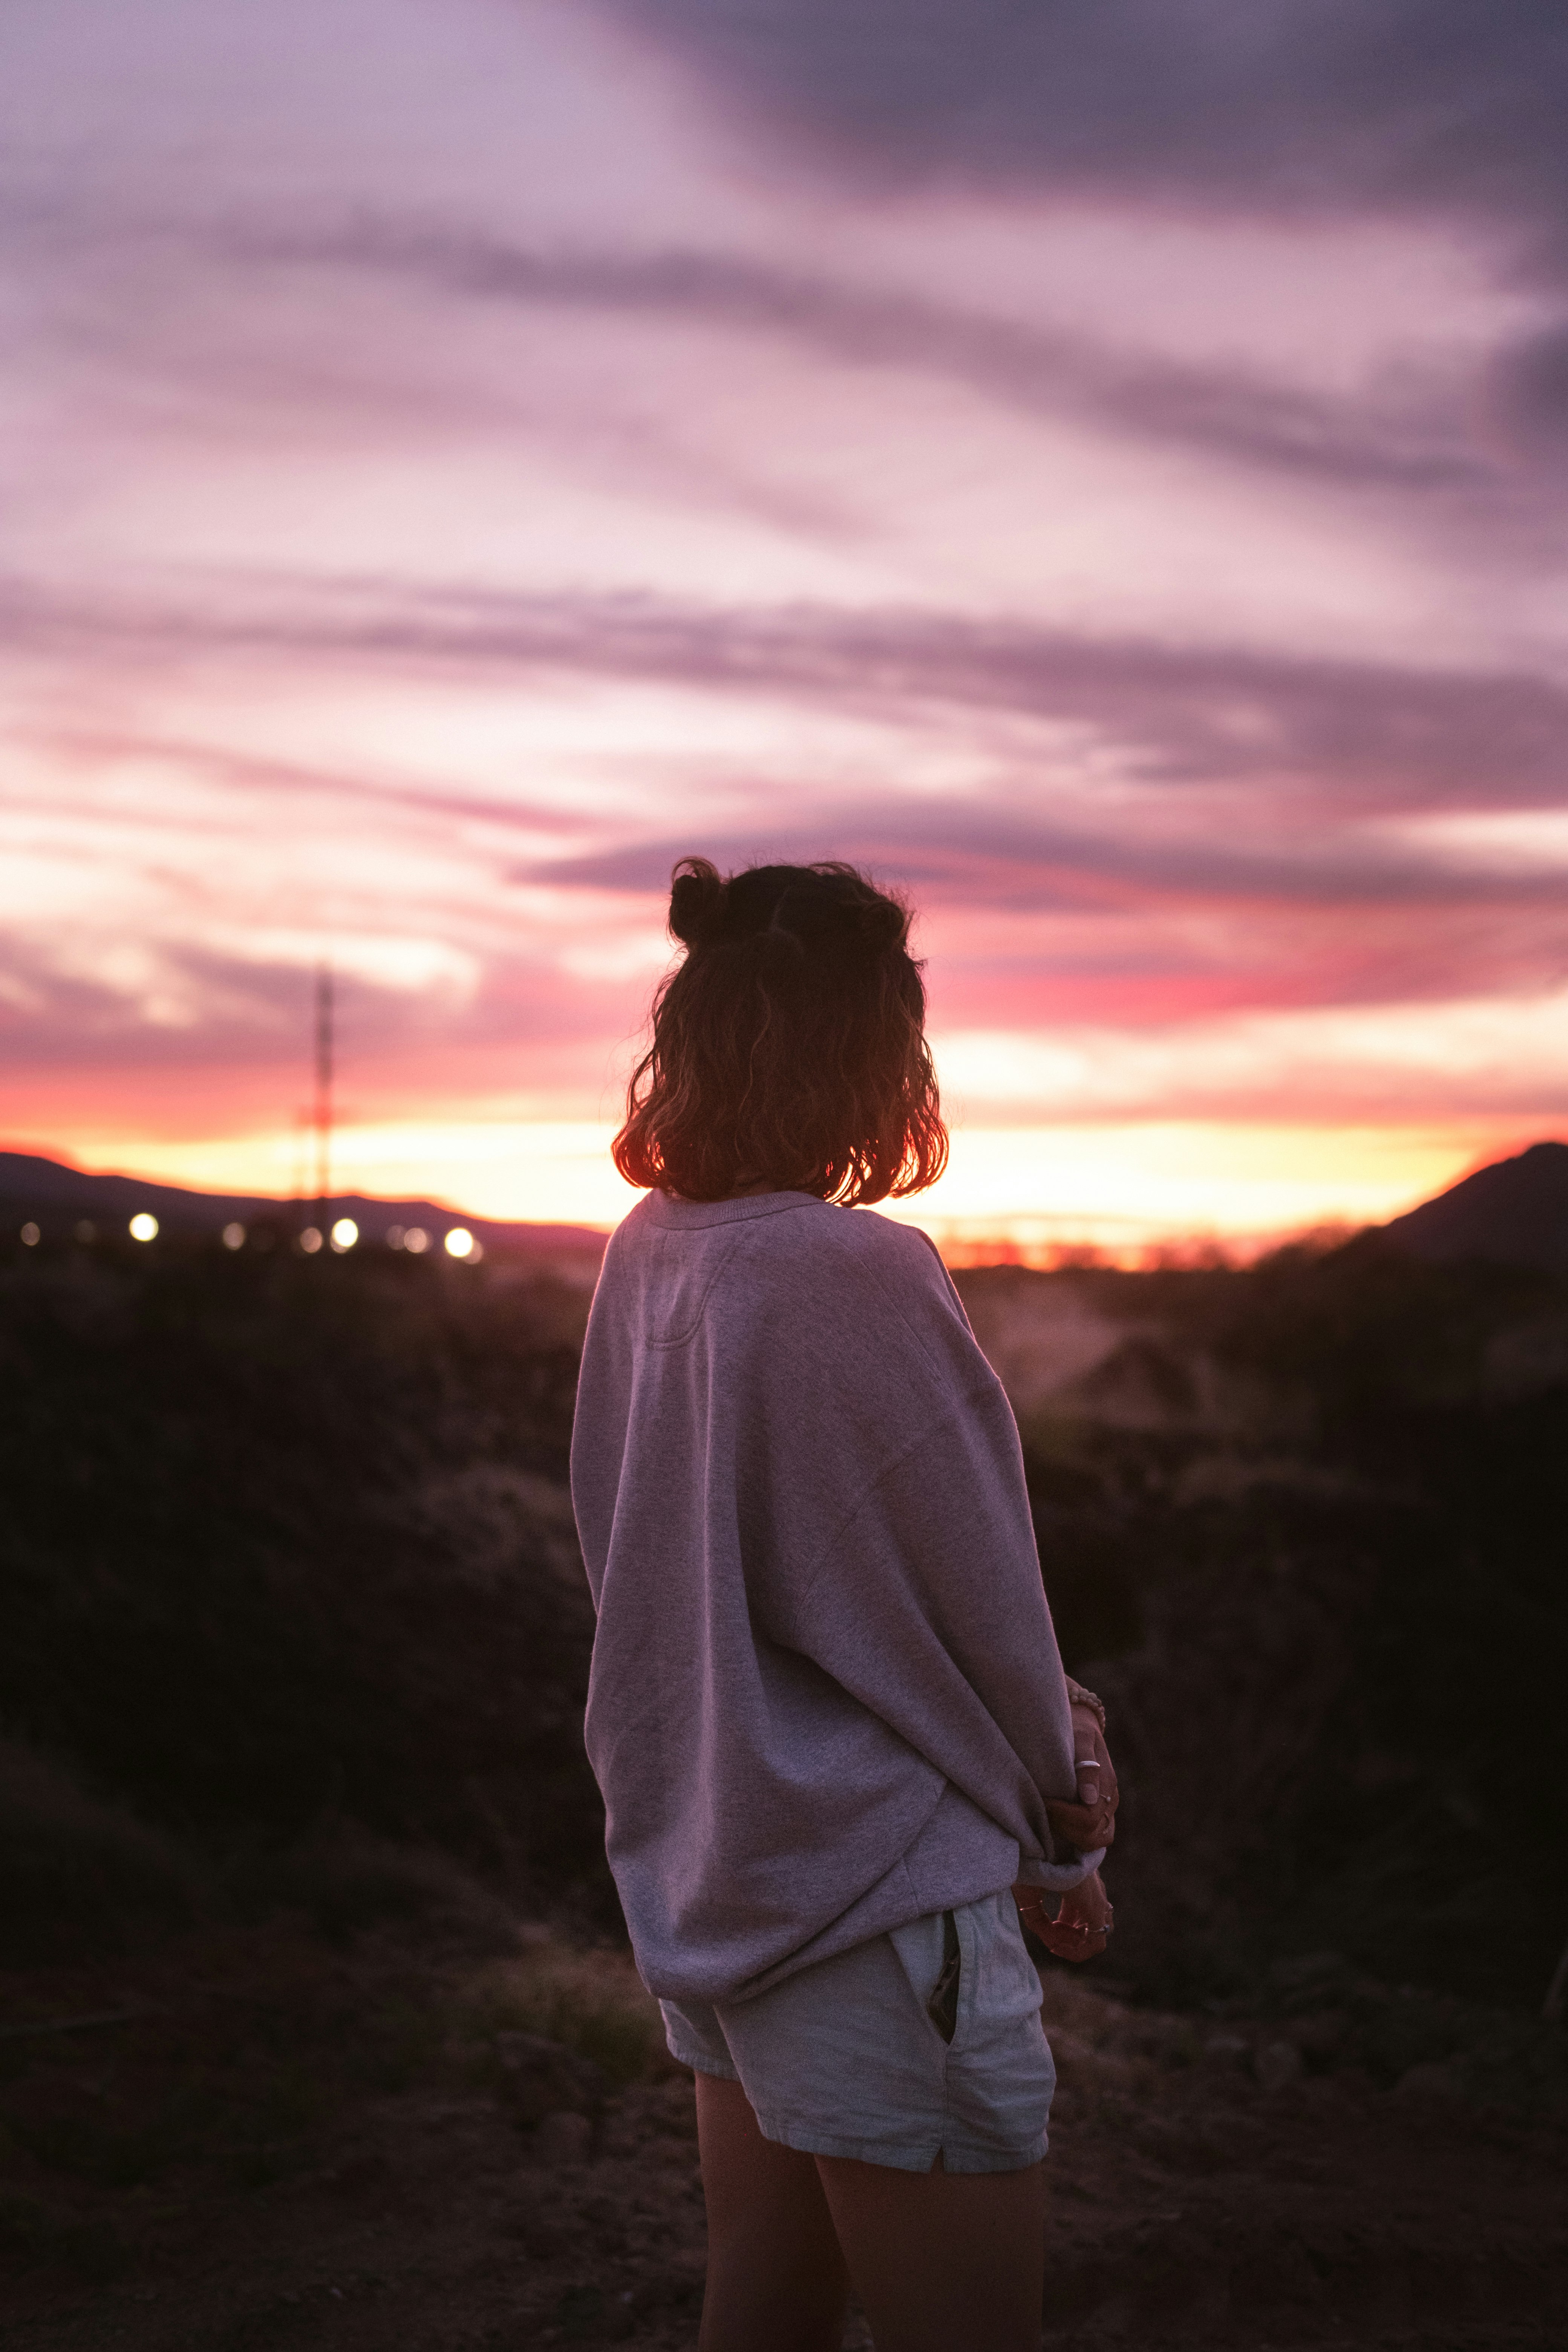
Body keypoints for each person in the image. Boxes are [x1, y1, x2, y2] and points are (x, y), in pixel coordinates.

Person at [570, 859, 1120, 2352]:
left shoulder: (644, 1259)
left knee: (766, 2296)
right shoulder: (855, 1273)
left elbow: (646, 1568)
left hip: (720, 1873)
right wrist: (1055, 1809)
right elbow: (972, 1602)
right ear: (873, 1053)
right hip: (871, 1899)